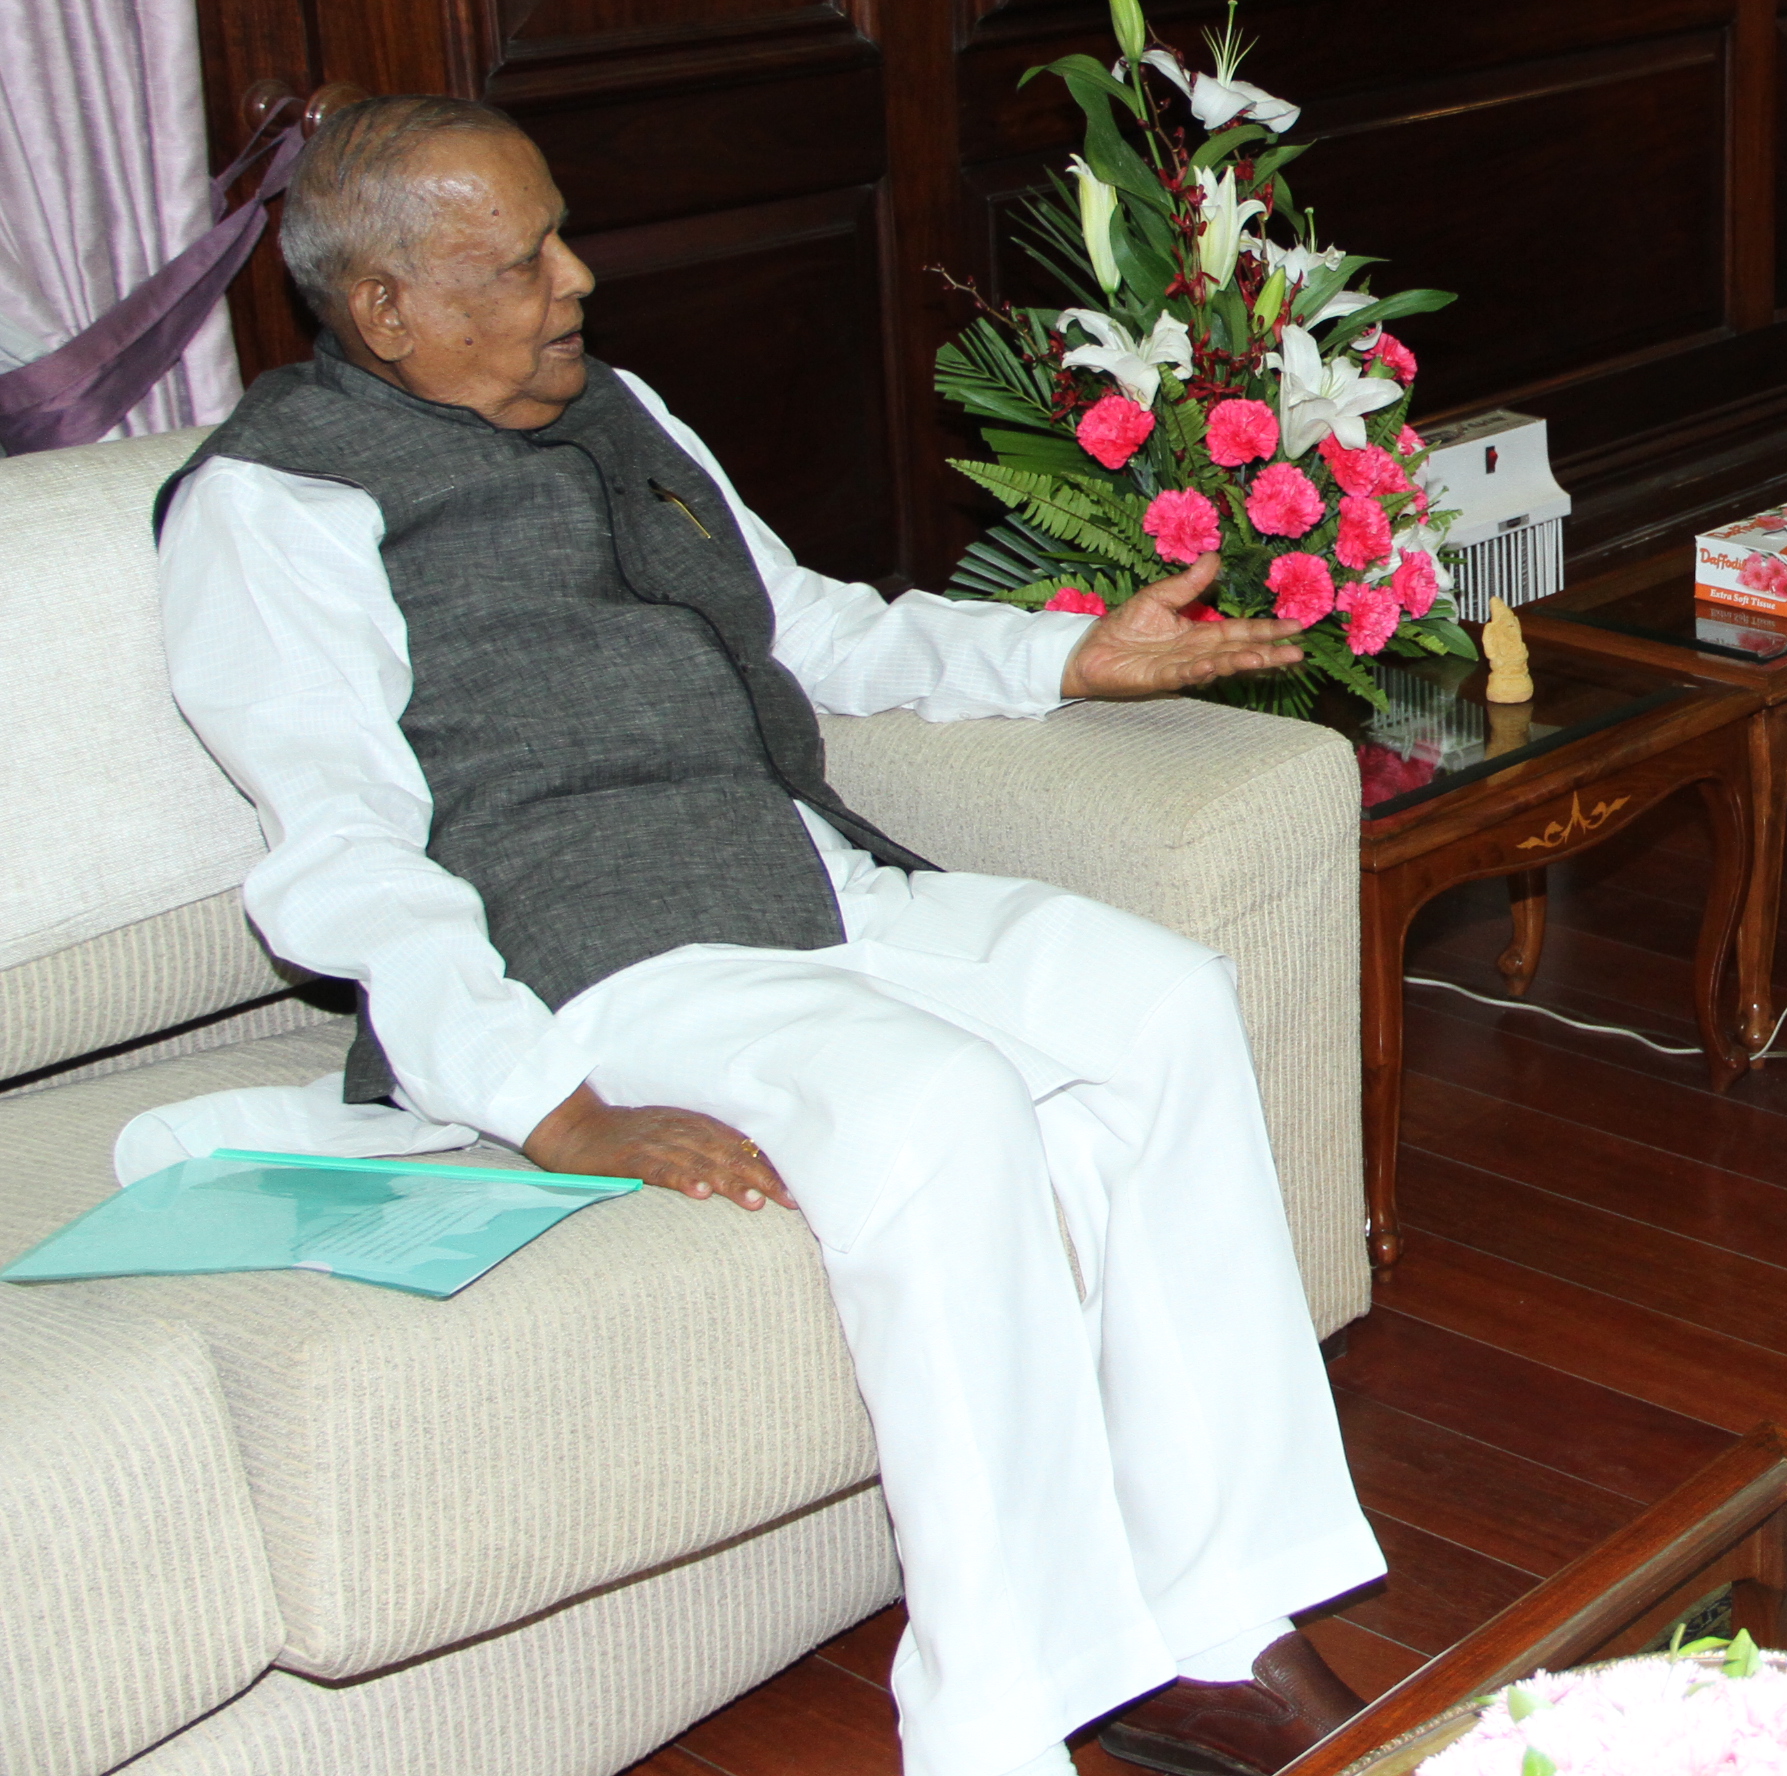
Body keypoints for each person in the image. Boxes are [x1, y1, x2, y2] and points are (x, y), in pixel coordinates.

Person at [152, 96, 1385, 1776]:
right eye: (520, 263)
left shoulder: (622, 411)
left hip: (808, 878)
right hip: (597, 954)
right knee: (938, 1109)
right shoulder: (275, 510)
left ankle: (1223, 1612)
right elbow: (345, 856)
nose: (575, 278)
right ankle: (1001, 1715)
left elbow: (798, 629)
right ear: (384, 310)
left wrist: (1061, 660)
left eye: (559, 233)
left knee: (1163, 999)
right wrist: (539, 1100)